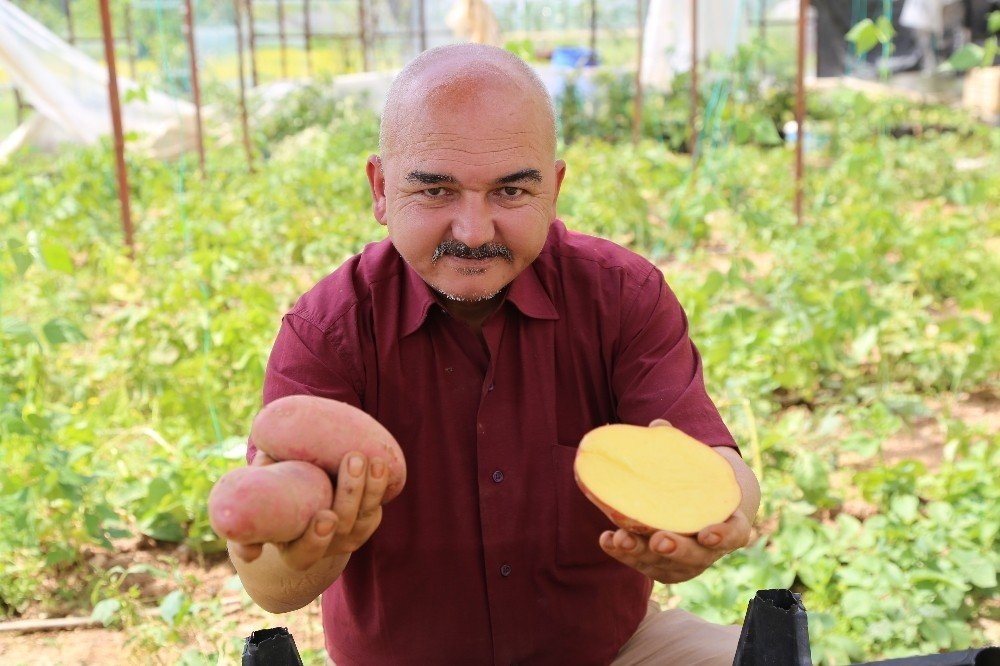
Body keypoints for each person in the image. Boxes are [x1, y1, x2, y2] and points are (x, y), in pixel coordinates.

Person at [228, 43, 761, 665]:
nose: (473, 231)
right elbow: (271, 588)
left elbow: (713, 463)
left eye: (511, 191)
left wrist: (721, 515)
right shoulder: (329, 331)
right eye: (435, 191)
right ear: (380, 189)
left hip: (615, 651)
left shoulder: (621, 297)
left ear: (554, 189)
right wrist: (303, 548)